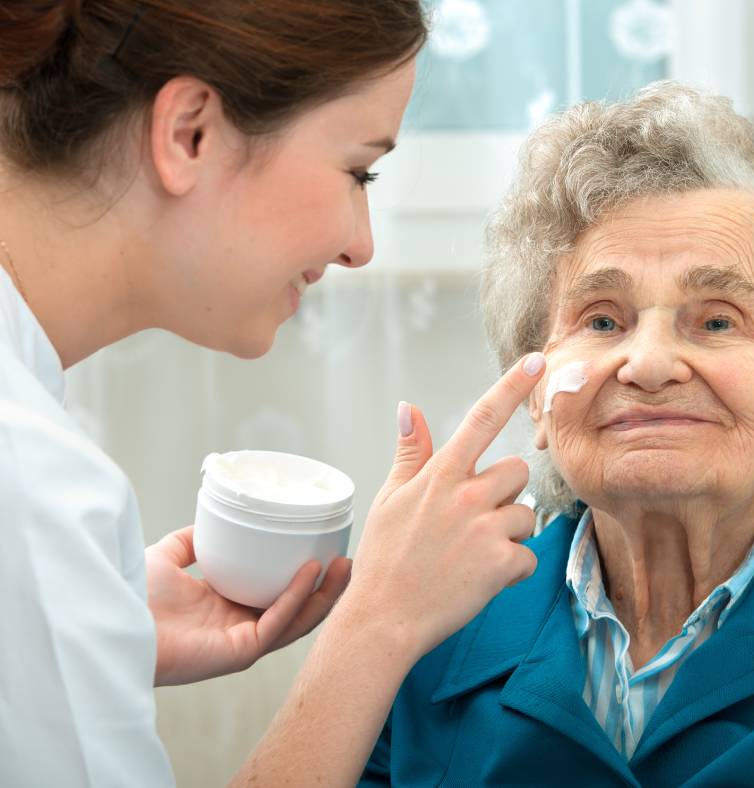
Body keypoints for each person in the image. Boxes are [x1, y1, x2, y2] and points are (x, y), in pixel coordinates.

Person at [0, 2, 546, 785]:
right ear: (190, 133)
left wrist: (91, 630)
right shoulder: (32, 496)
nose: (363, 245)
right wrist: (377, 626)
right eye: (358, 170)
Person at [360, 82, 754, 786]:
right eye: (602, 320)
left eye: (719, 320)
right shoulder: (432, 618)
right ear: (536, 396)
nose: (650, 363)